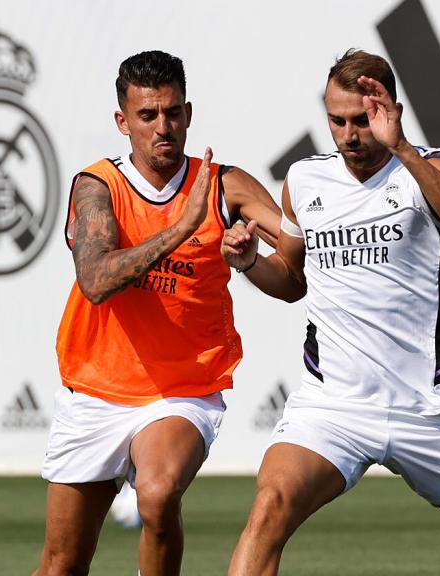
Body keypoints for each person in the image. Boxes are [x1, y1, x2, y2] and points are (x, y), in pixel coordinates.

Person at [221, 49, 440, 576]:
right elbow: (291, 280)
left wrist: (401, 147)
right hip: (334, 406)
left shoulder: (425, 165)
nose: (349, 134)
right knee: (269, 508)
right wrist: (249, 263)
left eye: (362, 120)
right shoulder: (305, 180)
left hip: (426, 410)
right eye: (337, 121)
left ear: (389, 111)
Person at [34, 50, 281, 576]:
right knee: (60, 566)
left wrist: (250, 261)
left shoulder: (226, 186)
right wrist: (182, 228)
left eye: (172, 112)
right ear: (123, 121)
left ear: (188, 113)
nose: (162, 126)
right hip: (96, 388)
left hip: (184, 389)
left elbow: (294, 274)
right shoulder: (96, 185)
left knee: (158, 492)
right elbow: (96, 281)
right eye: (147, 115)